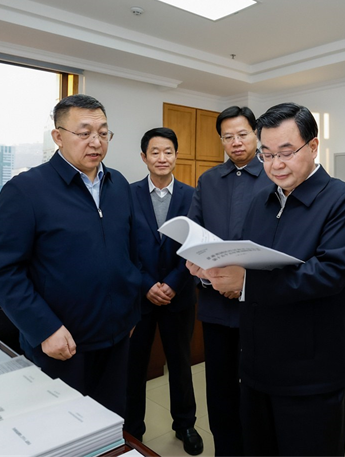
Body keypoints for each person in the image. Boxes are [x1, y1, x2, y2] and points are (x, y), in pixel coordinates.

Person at [187, 103, 345, 456]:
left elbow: (331, 273)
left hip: (310, 370)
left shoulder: (341, 200)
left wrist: (245, 284)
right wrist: (214, 269)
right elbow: (251, 262)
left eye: (286, 153)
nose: (275, 164)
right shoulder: (262, 201)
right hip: (257, 365)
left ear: (313, 147)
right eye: (267, 154)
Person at [0, 94, 142, 416]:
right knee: (63, 427)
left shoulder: (118, 185)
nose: (96, 142)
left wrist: (130, 312)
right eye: (84, 133)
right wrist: (44, 328)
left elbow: (131, 254)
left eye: (103, 133)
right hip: (60, 343)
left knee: (111, 422)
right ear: (58, 136)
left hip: (116, 338)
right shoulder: (27, 189)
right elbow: (3, 271)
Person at [185, 106, 272, 456]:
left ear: (256, 134)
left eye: (242, 135)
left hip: (261, 306)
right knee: (220, 390)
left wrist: (244, 280)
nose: (235, 142)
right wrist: (207, 272)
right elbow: (193, 235)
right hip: (216, 307)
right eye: (227, 137)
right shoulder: (208, 180)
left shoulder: (273, 175)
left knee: (258, 389)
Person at [125, 127, 203, 455]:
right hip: (138, 297)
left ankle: (185, 424)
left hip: (179, 294)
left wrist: (172, 283)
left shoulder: (193, 196)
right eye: (155, 152)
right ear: (144, 157)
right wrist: (146, 285)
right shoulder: (126, 195)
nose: (162, 158)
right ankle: (132, 429)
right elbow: (122, 247)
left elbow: (195, 246)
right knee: (134, 366)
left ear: (176, 155)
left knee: (180, 363)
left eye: (168, 151)